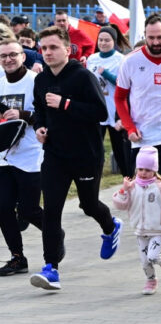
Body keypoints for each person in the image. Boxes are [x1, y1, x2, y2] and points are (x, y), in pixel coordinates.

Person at [30, 26, 122, 290]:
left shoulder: (82, 76)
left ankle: (110, 226)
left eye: (53, 47)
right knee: (51, 211)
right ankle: (51, 268)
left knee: (89, 205)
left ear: (67, 49)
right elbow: (39, 109)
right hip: (55, 155)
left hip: (86, 154)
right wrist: (40, 128)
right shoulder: (41, 79)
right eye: (44, 48)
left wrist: (66, 104)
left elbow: (100, 112)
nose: (47, 52)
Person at [115, 14, 161, 259]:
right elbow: (120, 97)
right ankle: (148, 233)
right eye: (151, 37)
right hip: (143, 135)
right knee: (144, 189)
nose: (156, 42)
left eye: (160, 37)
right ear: (144, 36)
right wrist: (129, 127)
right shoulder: (131, 61)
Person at [112, 146, 161, 295]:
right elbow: (120, 205)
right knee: (145, 261)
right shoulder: (132, 187)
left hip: (157, 231)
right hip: (140, 231)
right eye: (140, 169)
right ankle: (151, 280)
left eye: (147, 170)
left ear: (154, 170)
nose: (143, 173)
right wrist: (124, 190)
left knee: (153, 256)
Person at [0, 39, 45, 276]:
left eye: (13, 55)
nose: (8, 59)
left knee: (29, 210)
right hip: (4, 155)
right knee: (3, 207)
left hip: (31, 154)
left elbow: (48, 115)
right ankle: (17, 258)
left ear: (23, 56)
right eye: (3, 56)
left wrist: (23, 114)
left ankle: (53, 232)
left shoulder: (36, 81)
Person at [87, 26, 131, 177]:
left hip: (115, 110)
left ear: (114, 41)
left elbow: (124, 84)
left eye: (107, 40)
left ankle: (127, 179)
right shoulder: (92, 59)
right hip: (97, 109)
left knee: (120, 152)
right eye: (100, 40)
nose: (103, 43)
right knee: (95, 151)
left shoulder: (121, 59)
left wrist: (106, 74)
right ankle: (93, 181)